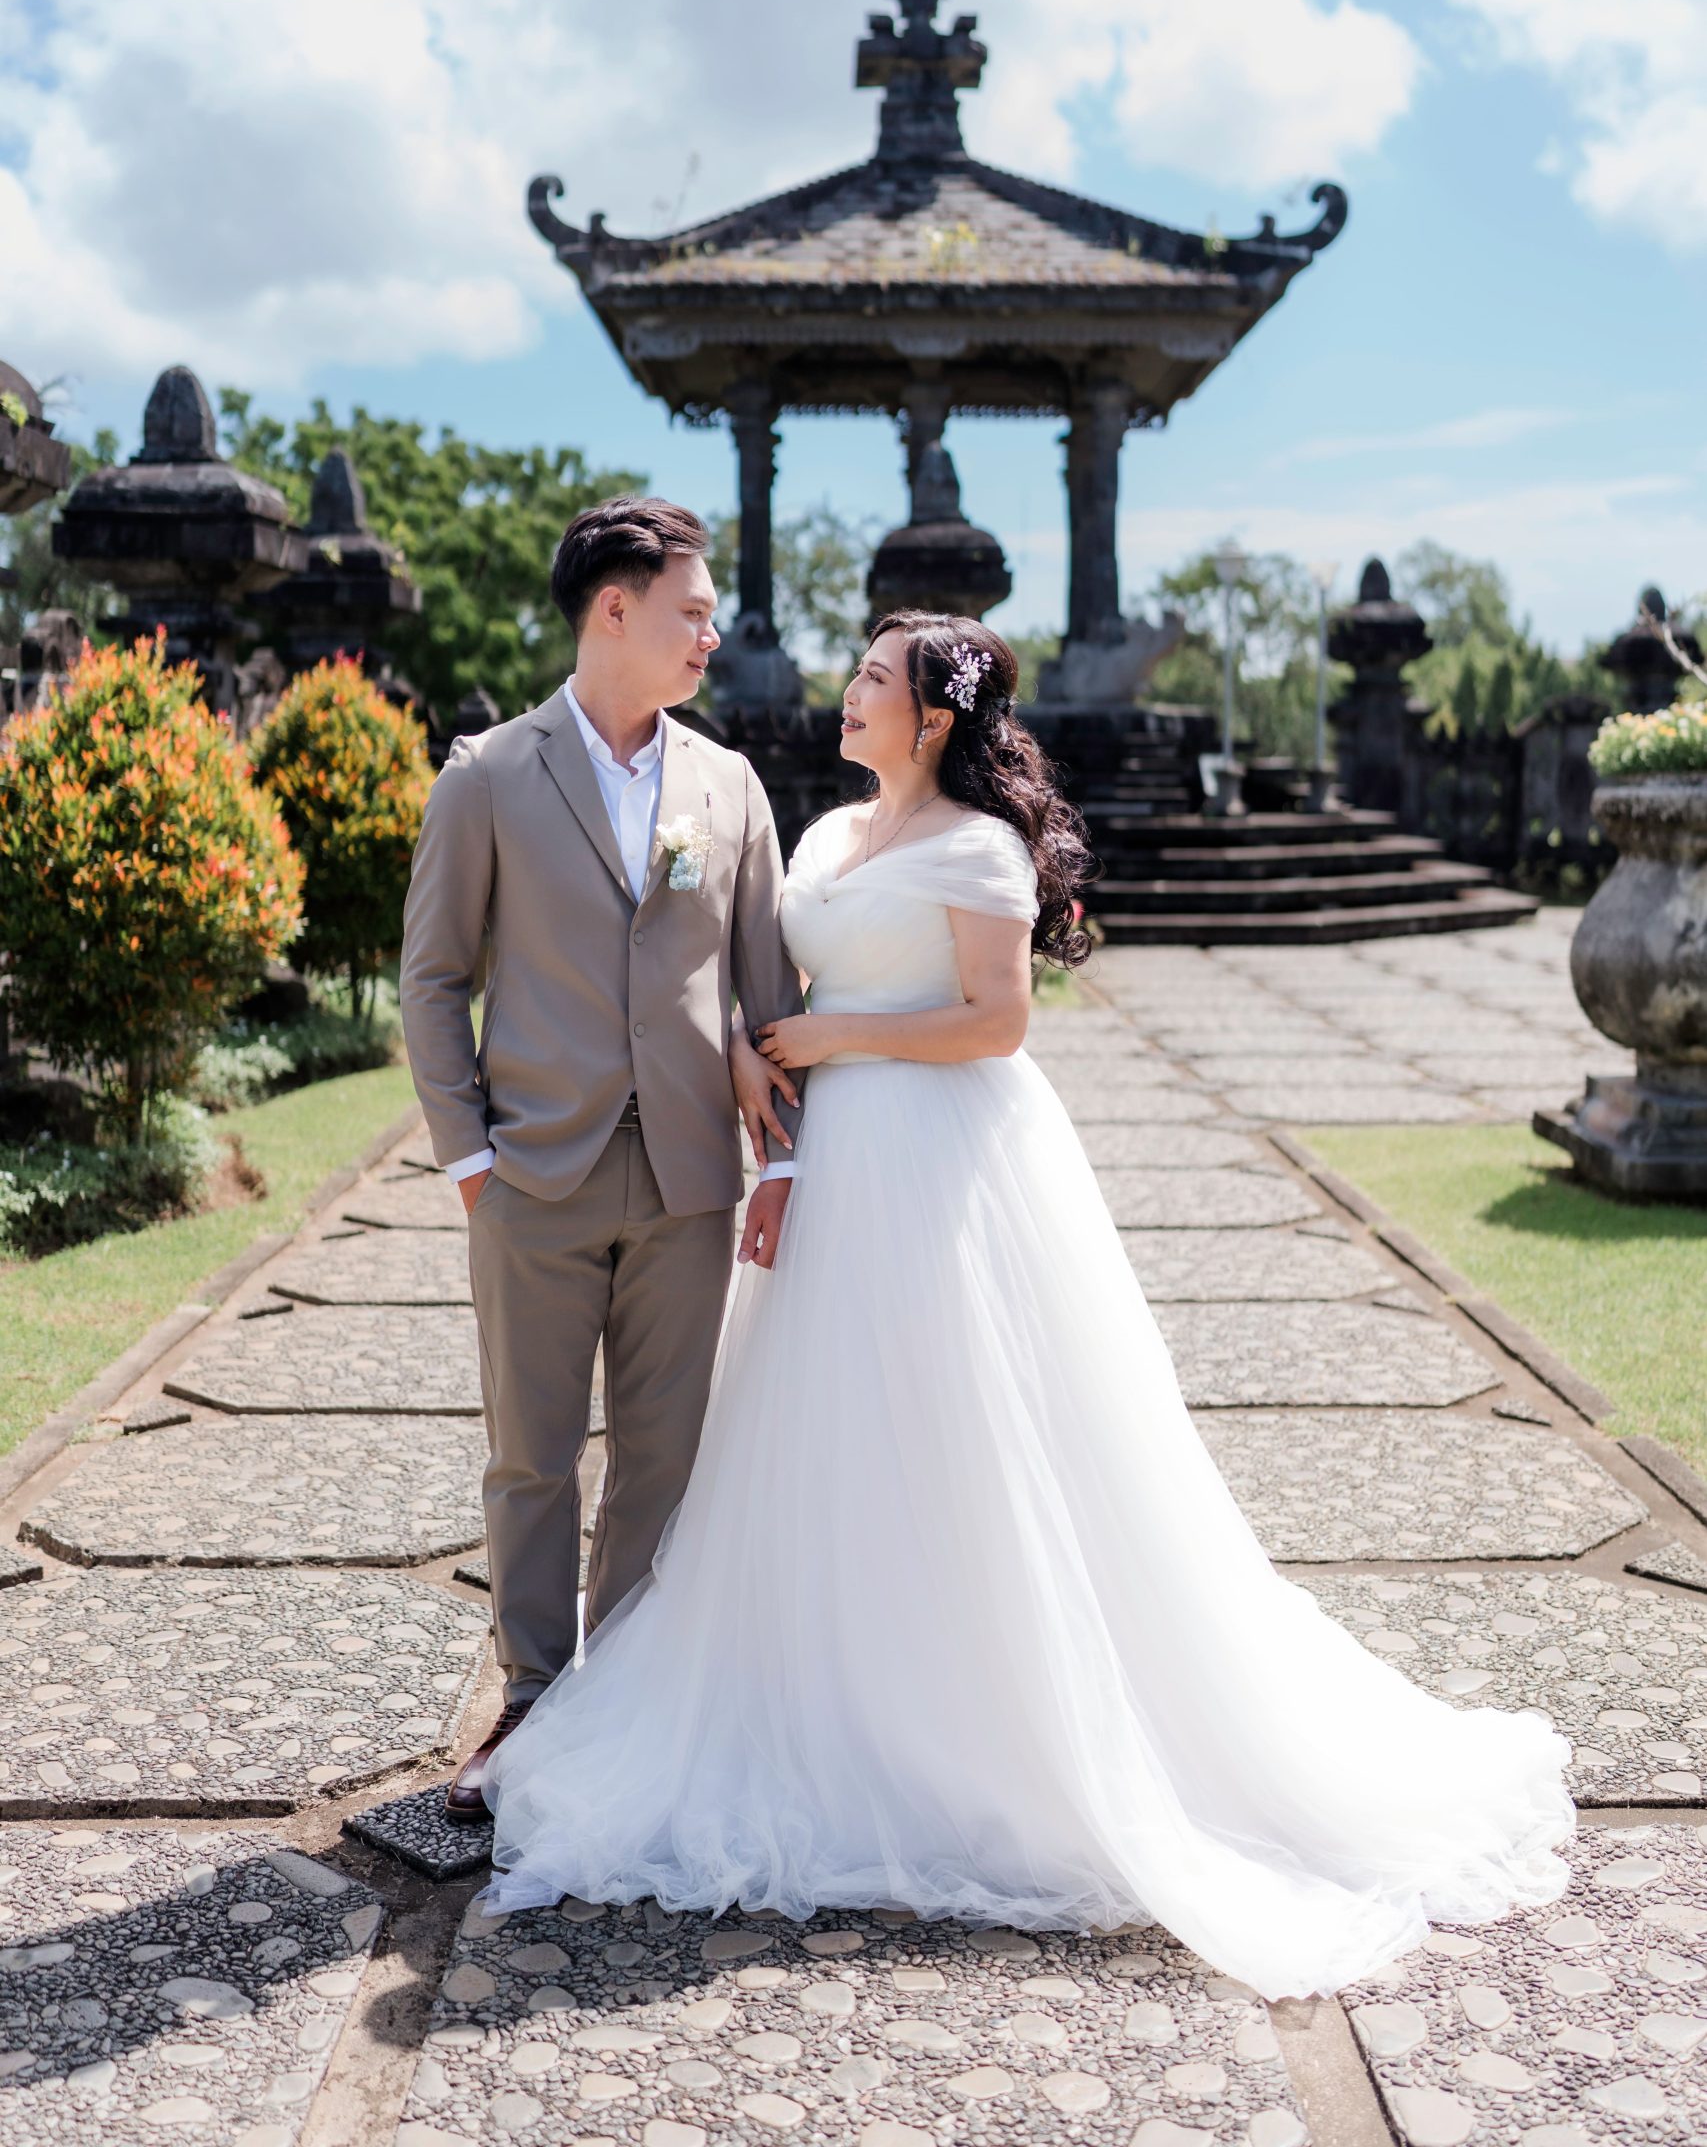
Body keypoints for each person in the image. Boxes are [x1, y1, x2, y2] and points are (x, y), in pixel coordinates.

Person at [479, 607, 1574, 2001]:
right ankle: (835, 1692)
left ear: (933, 716)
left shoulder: (979, 847)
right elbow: (771, 984)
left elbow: (996, 1020)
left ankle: (982, 1730)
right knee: (822, 1435)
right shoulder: (829, 834)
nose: (848, 691)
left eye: (873, 678)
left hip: (942, 1158)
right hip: (835, 1160)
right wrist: (773, 1100)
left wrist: (833, 1034)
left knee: (964, 1431)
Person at [399, 497, 805, 1823]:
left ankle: (624, 1707)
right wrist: (469, 1161)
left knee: (661, 1459)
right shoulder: (488, 776)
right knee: (531, 1457)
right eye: (692, 611)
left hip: (691, 1179)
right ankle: (530, 1697)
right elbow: (432, 979)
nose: (712, 634)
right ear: (613, 610)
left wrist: (781, 1166)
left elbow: (765, 993)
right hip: (533, 1175)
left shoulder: (729, 786)